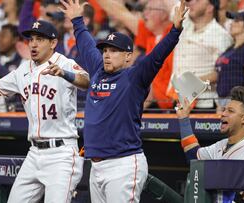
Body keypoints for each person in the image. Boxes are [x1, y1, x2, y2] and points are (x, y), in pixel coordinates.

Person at [0, 20, 90, 203]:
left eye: (39, 39)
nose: (33, 44)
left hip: (61, 153)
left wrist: (64, 74)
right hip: (34, 152)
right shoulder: (23, 70)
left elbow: (86, 81)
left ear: (53, 43)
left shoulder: (65, 63)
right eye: (31, 39)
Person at [60, 0, 187, 202]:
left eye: (114, 51)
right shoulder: (98, 71)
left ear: (128, 56)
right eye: (105, 50)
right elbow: (86, 45)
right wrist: (77, 20)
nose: (107, 55)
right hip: (96, 166)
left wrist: (175, 31)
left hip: (123, 164)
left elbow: (157, 56)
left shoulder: (134, 77)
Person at [176, 86, 244, 202]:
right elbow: (193, 156)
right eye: (224, 110)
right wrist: (184, 120)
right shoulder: (219, 146)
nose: (223, 114)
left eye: (230, 111)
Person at [202, 11, 244, 111]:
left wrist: (237, 105)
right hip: (222, 103)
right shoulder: (229, 50)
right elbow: (218, 74)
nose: (231, 23)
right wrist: (194, 79)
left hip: (235, 104)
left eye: (237, 21)